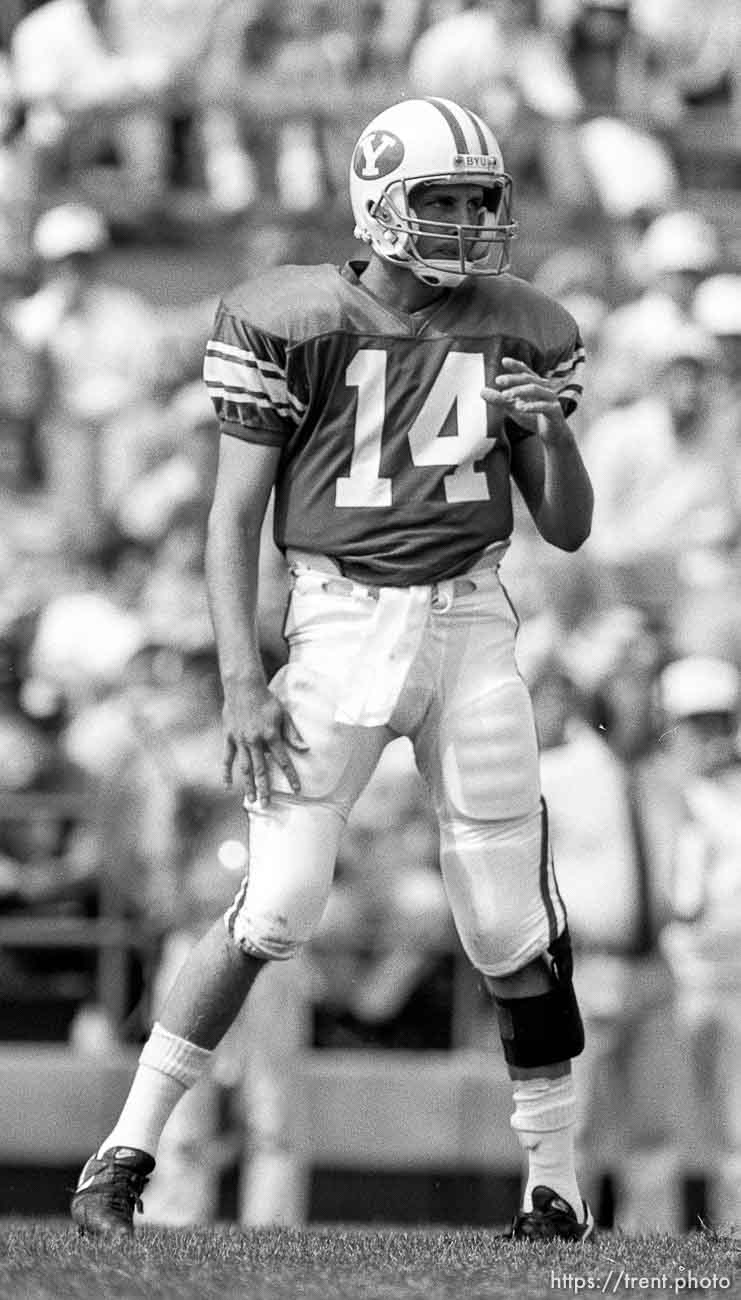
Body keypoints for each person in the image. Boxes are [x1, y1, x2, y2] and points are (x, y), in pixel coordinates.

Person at [70, 95, 595, 1242]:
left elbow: (567, 529)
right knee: (276, 904)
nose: (464, 222)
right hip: (341, 620)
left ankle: (554, 1187)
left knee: (508, 926)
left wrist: (547, 435)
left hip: (472, 627)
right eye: (439, 200)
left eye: (478, 200)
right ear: (377, 201)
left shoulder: (524, 323)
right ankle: (123, 1153)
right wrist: (239, 678)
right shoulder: (291, 317)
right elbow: (231, 520)